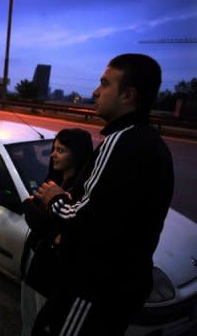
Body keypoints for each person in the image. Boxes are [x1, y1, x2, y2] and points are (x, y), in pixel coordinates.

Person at [32, 53, 174, 335]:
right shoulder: (152, 142)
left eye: (105, 83)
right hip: (118, 287)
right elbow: (114, 211)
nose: (96, 92)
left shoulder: (122, 141)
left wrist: (55, 199)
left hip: (94, 286)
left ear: (128, 95)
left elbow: (89, 220)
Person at [21, 128, 93, 336]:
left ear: (77, 154)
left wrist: (30, 208)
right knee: (27, 321)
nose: (53, 154)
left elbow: (46, 225)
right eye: (54, 148)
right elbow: (42, 221)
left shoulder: (81, 194)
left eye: (60, 150)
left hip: (51, 276)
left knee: (41, 325)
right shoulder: (54, 181)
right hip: (34, 262)